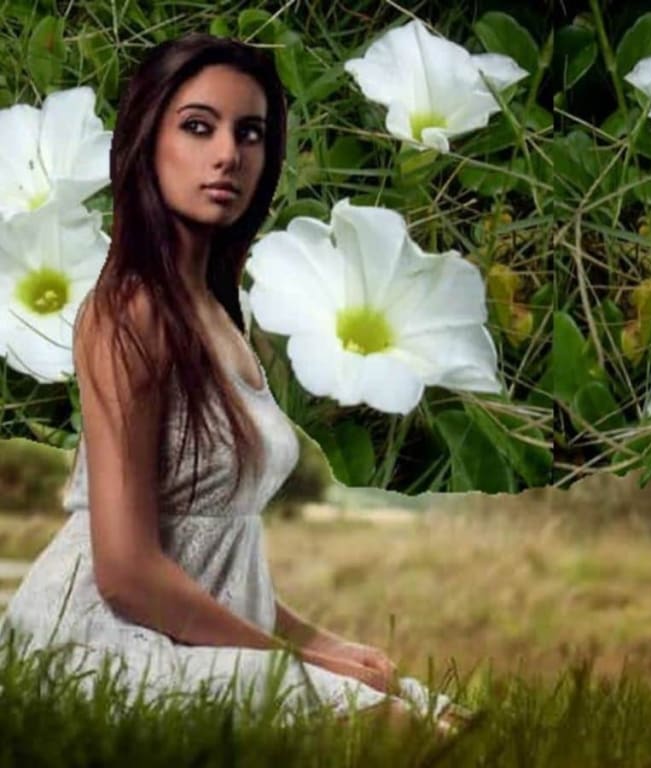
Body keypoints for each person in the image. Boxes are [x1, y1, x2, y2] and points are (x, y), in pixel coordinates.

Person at [0, 33, 462, 733]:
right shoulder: (129, 311)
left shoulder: (220, 311)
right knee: (400, 729)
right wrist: (298, 662)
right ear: (145, 142)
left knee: (442, 714)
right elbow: (126, 573)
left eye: (250, 133)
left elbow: (217, 558)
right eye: (197, 127)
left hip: (192, 635)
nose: (228, 155)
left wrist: (322, 644)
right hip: (103, 644)